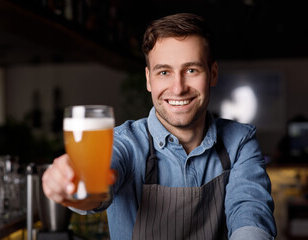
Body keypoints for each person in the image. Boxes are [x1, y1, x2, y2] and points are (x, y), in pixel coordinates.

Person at [42, 13, 277, 239]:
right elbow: (95, 192)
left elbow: (250, 215)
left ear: (213, 74)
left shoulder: (240, 142)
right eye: (164, 72)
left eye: (191, 70)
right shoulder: (125, 143)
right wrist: (72, 189)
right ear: (148, 79)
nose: (178, 87)